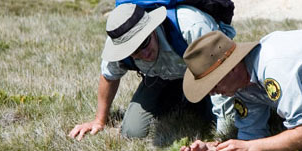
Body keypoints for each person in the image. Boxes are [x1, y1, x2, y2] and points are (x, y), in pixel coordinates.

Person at [68, 3, 236, 140]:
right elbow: (109, 76)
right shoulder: (119, 41)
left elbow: (222, 75)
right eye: (134, 52)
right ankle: (182, 98)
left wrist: (222, 137)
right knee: (132, 132)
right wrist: (99, 120)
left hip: (207, 76)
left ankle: (197, 104)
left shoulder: (192, 27)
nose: (143, 54)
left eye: (144, 43)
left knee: (210, 122)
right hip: (163, 78)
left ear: (152, 28)